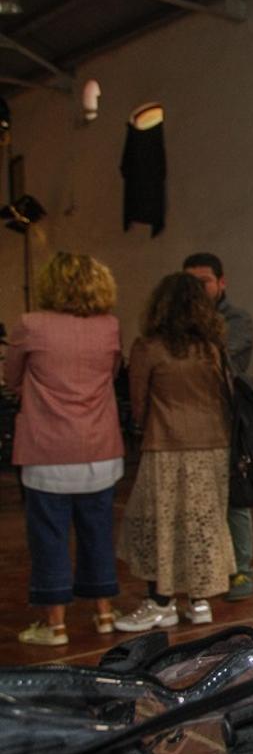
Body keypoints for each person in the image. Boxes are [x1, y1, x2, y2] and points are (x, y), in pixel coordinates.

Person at [6, 253, 123, 645]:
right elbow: (113, 374)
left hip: (47, 448)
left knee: (49, 536)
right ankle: (104, 614)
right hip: (100, 446)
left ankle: (55, 626)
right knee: (98, 532)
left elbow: (11, 377)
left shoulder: (30, 324)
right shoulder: (109, 326)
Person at [116, 272, 235, 630]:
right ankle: (199, 602)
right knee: (201, 521)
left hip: (164, 444)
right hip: (212, 444)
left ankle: (160, 600)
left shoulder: (148, 347)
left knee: (160, 521)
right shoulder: (211, 348)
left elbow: (137, 402)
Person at [183, 252, 253, 602]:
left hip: (228, 423)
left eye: (204, 282)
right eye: (190, 283)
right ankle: (206, 570)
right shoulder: (179, 321)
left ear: (221, 282)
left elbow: (220, 361)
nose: (197, 290)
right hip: (190, 422)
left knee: (235, 500)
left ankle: (241, 570)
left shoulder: (237, 319)